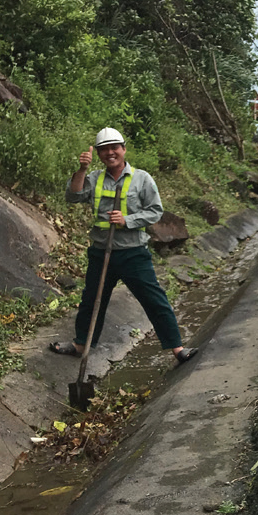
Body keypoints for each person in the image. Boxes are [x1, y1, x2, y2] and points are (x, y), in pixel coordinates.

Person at [49, 127, 198, 364]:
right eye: (104, 149)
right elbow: (73, 196)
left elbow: (155, 211)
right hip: (101, 252)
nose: (110, 153)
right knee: (92, 300)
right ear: (98, 153)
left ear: (123, 149)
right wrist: (82, 169)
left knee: (154, 299)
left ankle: (177, 348)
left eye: (114, 148)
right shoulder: (94, 178)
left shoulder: (142, 179)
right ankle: (80, 344)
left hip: (133, 253)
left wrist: (127, 220)